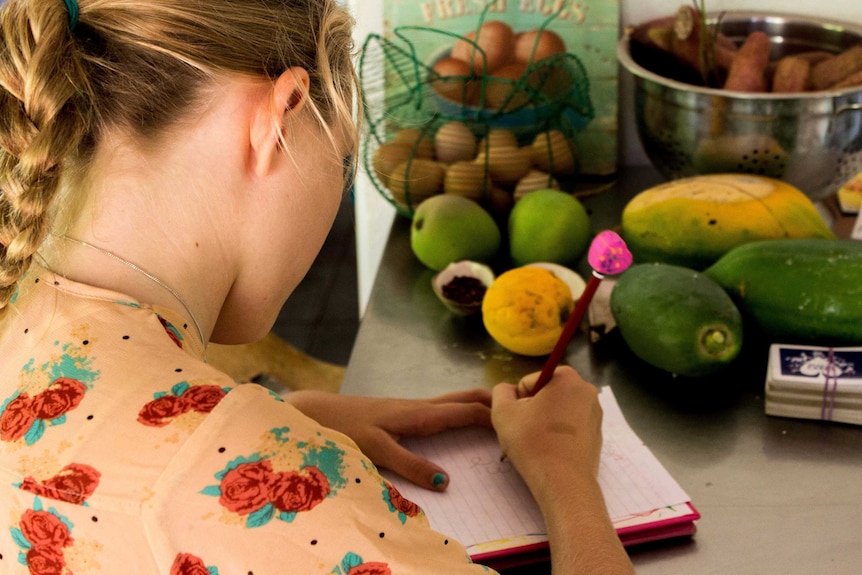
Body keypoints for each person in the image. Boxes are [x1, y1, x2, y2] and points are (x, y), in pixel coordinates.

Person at [0, 0, 635, 572]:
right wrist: (564, 474)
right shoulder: (266, 489)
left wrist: (283, 417)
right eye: (342, 158)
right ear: (283, 111)